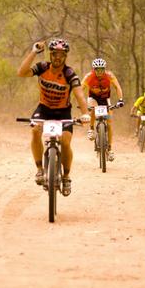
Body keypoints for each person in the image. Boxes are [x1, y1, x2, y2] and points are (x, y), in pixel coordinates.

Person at [17, 38, 90, 196]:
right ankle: (39, 169)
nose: (58, 57)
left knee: (65, 141)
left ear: (65, 57)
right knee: (35, 130)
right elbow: (21, 73)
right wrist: (34, 52)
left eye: (61, 54)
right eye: (55, 54)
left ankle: (66, 177)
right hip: (44, 109)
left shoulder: (69, 74)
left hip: (63, 112)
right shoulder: (42, 67)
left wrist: (85, 114)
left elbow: (80, 96)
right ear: (50, 55)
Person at [81, 58, 124, 161]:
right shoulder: (89, 76)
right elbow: (80, 89)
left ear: (104, 69)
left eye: (101, 69)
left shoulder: (109, 76)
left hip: (105, 99)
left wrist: (120, 100)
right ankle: (91, 129)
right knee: (93, 109)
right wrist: (81, 103)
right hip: (93, 98)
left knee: (109, 122)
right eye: (97, 69)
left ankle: (109, 149)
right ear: (94, 69)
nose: (99, 72)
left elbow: (117, 87)